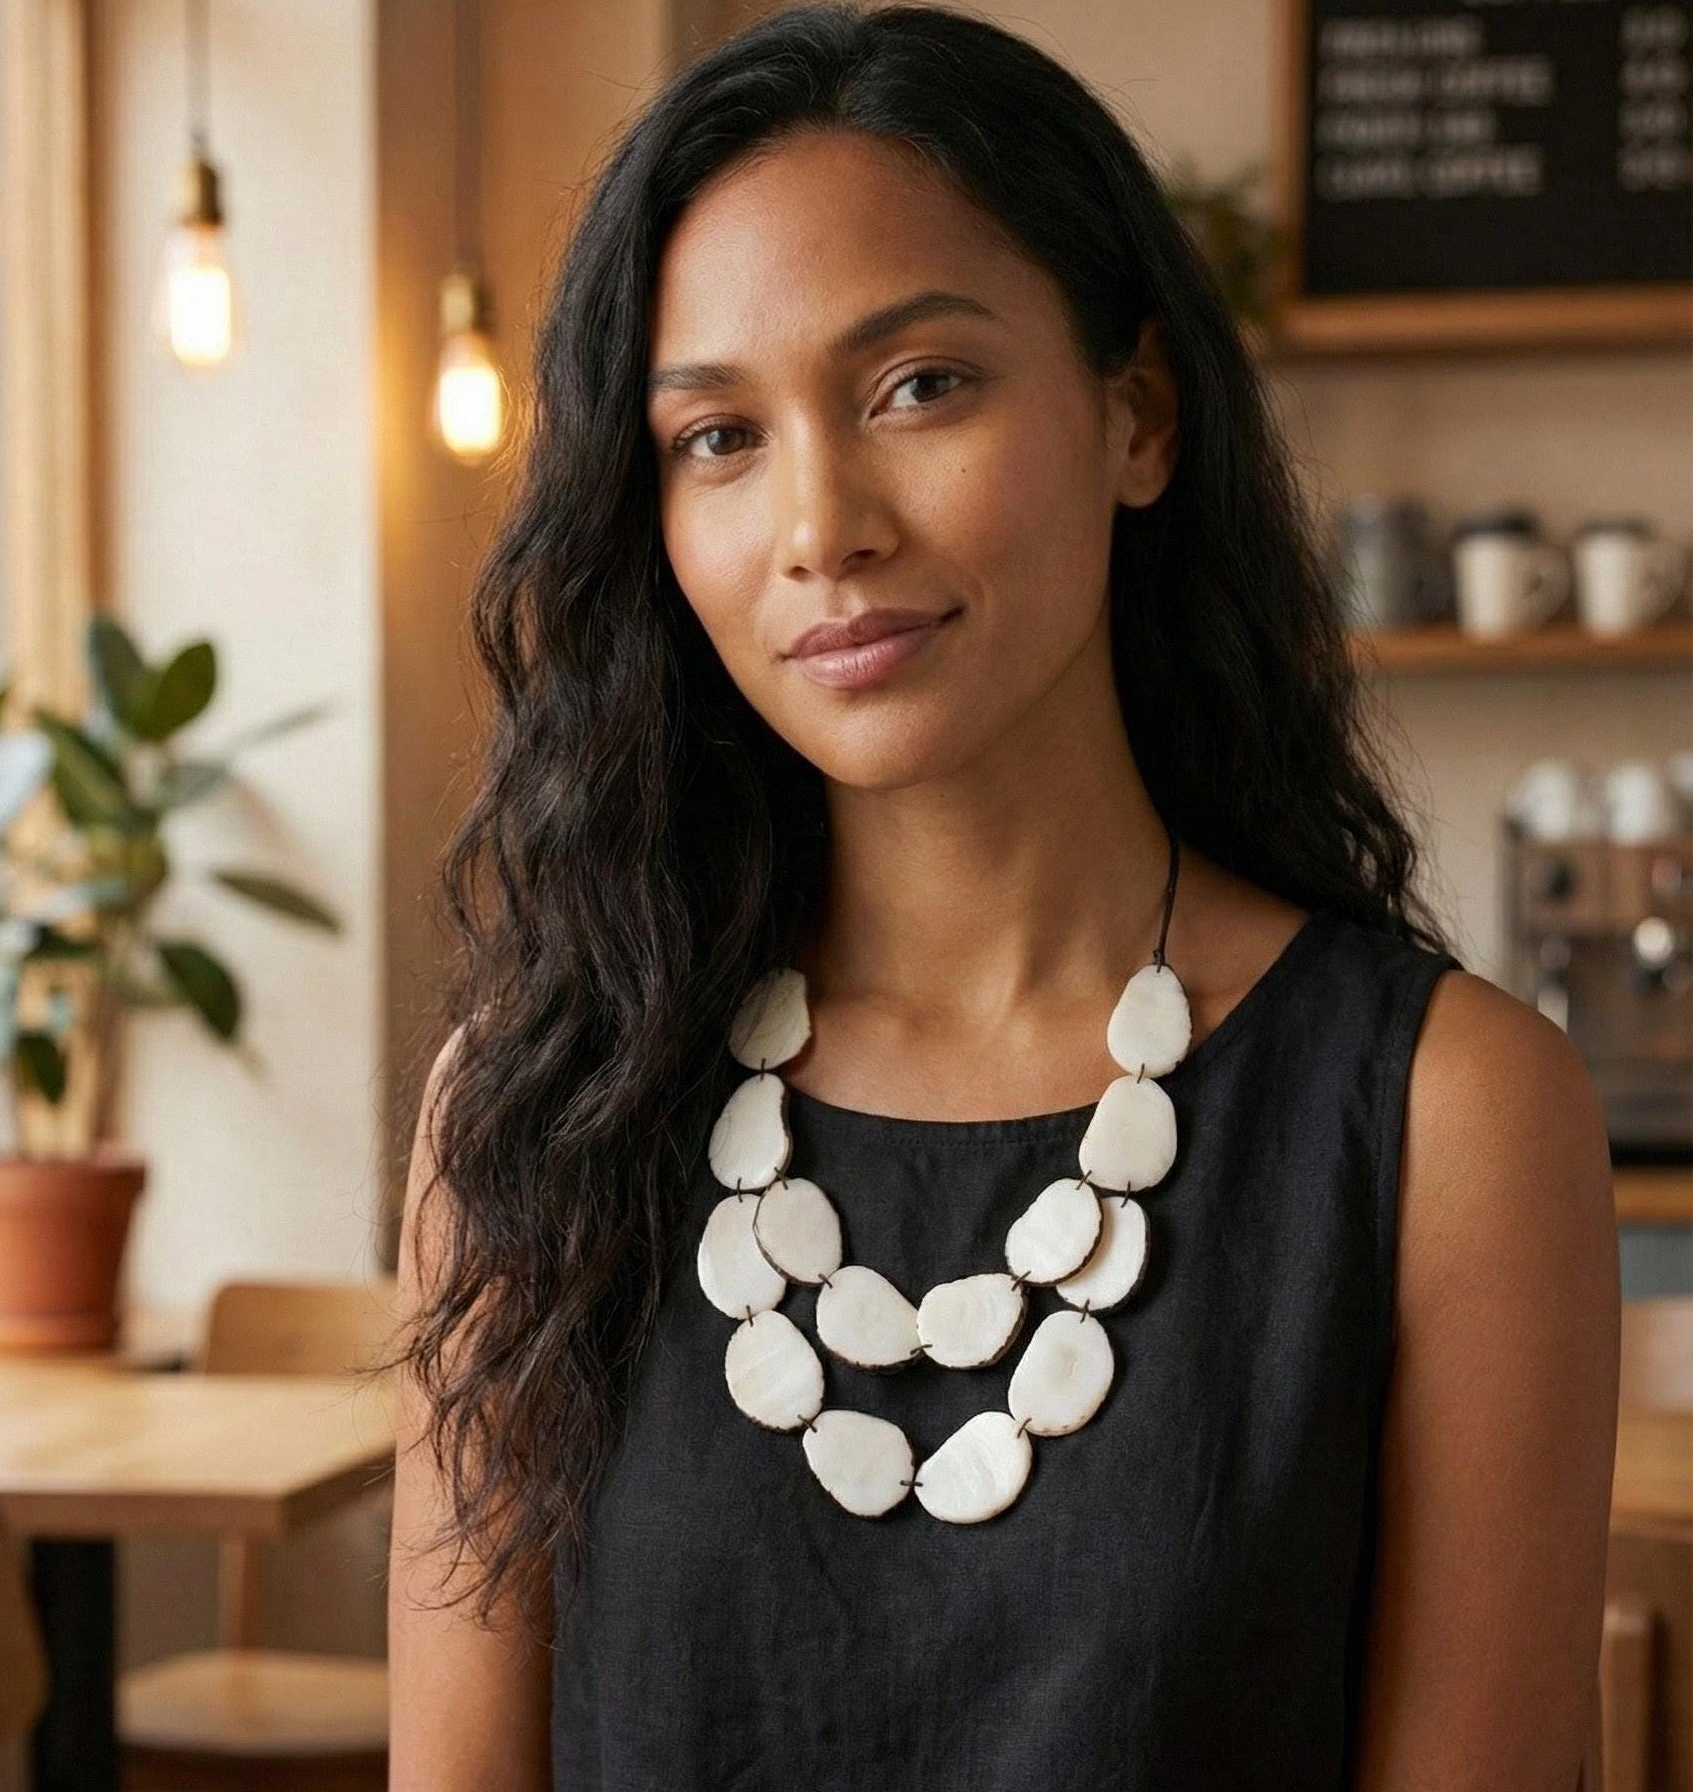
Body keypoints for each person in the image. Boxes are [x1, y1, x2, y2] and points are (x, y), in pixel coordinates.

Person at [386, 6, 1619, 1787]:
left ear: (1136, 416)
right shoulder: (532, 1116)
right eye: (717, 437)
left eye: (918, 388)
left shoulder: (1451, 1119)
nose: (823, 526)